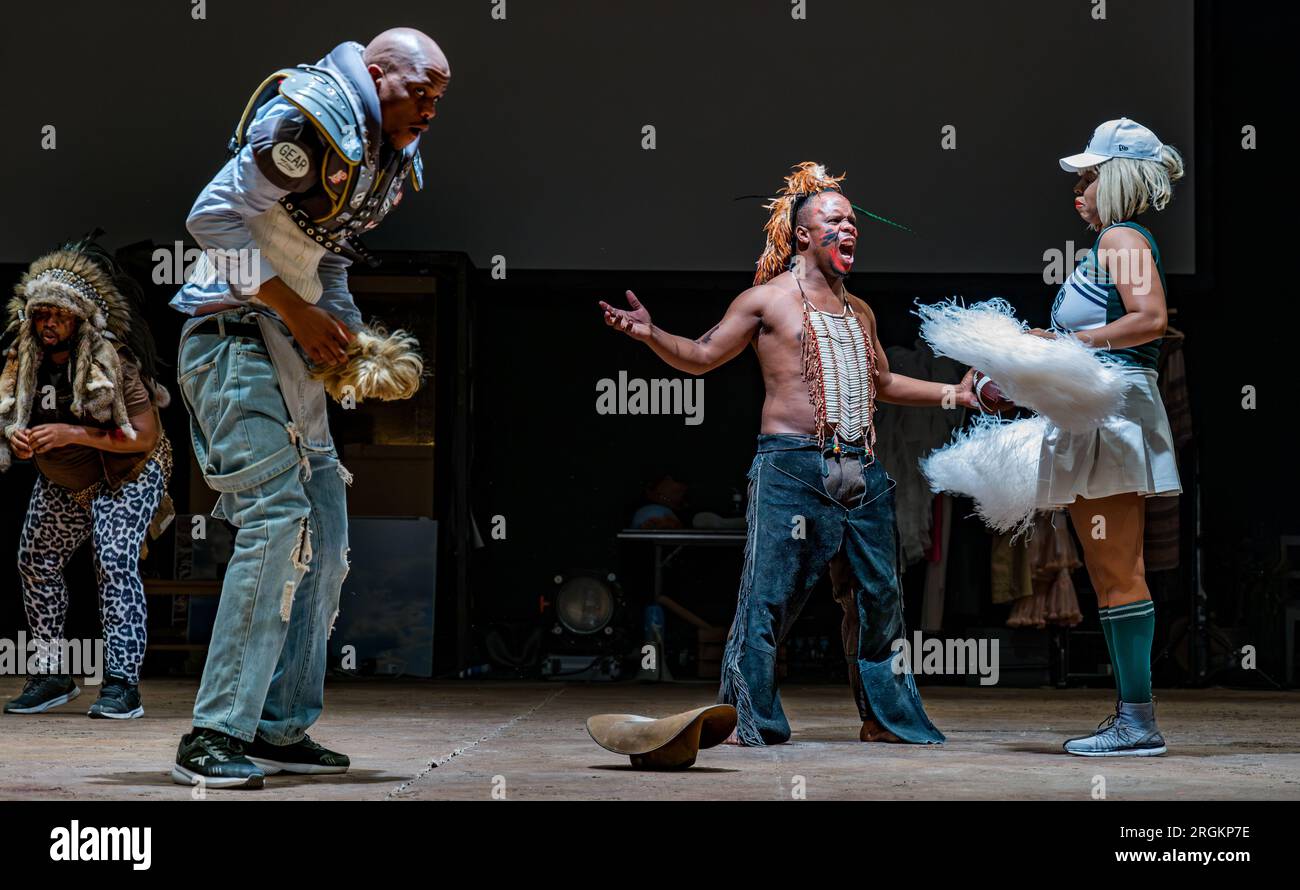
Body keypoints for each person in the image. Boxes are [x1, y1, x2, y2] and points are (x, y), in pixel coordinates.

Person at [601, 162, 977, 746]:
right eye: (835, 219)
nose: (849, 228)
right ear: (803, 233)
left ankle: (886, 718)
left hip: (864, 471)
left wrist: (958, 393)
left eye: (853, 221)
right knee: (768, 599)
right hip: (791, 467)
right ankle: (750, 720)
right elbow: (700, 356)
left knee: (879, 601)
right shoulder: (765, 301)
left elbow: (883, 383)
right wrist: (652, 335)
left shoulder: (862, 312)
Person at [168, 28, 449, 788]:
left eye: (439, 95)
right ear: (378, 71)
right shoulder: (309, 117)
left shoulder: (378, 154)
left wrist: (349, 333)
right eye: (418, 87)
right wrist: (295, 311)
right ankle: (213, 731)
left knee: (326, 540)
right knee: (276, 520)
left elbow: (321, 259)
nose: (429, 105)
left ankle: (279, 725)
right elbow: (210, 219)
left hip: (286, 350)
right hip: (230, 338)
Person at [1036, 118, 1185, 756]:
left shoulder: (1122, 236)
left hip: (1114, 414)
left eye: (1090, 176)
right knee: (1108, 567)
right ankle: (1132, 716)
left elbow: (1150, 319)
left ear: (1118, 180)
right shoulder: (1109, 244)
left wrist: (1066, 343)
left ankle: (1138, 722)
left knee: (1118, 568)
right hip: (1102, 413)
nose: (1080, 187)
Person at [0, 241, 173, 720]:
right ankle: (53, 672)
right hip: (64, 479)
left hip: (128, 472)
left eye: (59, 314)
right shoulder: (24, 359)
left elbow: (142, 436)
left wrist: (73, 431)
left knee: (115, 559)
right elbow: (11, 414)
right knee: (36, 559)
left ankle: (121, 684)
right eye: (41, 314)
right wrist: (18, 440)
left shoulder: (112, 360)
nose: (48, 323)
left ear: (80, 317)